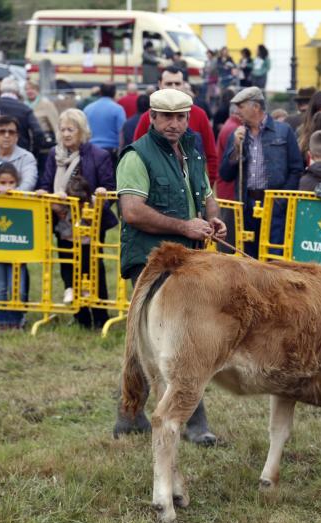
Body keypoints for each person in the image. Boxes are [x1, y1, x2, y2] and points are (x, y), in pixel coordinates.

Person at [112, 88, 227, 444]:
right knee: (164, 343)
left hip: (187, 258)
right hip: (149, 261)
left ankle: (135, 417)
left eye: (181, 117)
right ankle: (188, 423)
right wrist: (184, 226)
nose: (174, 124)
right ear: (152, 117)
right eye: (167, 117)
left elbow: (206, 193)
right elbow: (131, 212)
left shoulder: (191, 150)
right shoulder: (136, 156)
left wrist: (213, 218)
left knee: (177, 340)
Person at [36, 108, 115, 328]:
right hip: (63, 220)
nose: (66, 134)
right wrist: (46, 193)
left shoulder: (99, 155)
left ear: (82, 131)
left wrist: (98, 199)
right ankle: (80, 317)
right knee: (68, 265)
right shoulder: (54, 155)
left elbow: (110, 189)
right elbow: (45, 181)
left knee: (92, 266)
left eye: (71, 129)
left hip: (90, 222)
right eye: (62, 129)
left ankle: (99, 317)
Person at [219, 87, 303, 259]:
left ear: (255, 107)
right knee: (247, 253)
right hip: (246, 203)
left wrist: (282, 198)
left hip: (274, 203)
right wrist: (236, 148)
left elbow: (296, 168)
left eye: (241, 107)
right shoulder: (237, 135)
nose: (237, 112)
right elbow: (225, 174)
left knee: (273, 253)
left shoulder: (284, 131)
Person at [132, 67, 219, 184]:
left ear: (183, 85)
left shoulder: (200, 114)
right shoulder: (147, 117)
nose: (173, 87)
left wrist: (206, 189)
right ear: (160, 85)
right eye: (168, 83)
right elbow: (136, 154)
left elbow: (211, 155)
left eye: (177, 83)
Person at [0, 163, 29, 330]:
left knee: (17, 288)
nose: (7, 187)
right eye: (3, 183)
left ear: (17, 183)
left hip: (17, 251)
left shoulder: (23, 200)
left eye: (11, 183)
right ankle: (3, 321)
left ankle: (17, 319)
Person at [0, 77, 47, 157]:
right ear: (18, 92)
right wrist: (33, 153)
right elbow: (38, 133)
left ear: (1, 90)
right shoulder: (25, 109)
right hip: (20, 154)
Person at [84, 83, 126, 164]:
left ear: (100, 93)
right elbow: (122, 132)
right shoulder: (118, 109)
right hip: (111, 150)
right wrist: (121, 152)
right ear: (114, 93)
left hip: (91, 149)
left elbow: (84, 131)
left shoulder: (88, 109)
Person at [24, 79, 59, 175]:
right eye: (27, 89)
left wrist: (60, 144)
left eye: (32, 89)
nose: (29, 91)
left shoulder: (46, 104)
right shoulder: (23, 105)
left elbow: (55, 124)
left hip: (44, 147)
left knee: (44, 172)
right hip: (29, 146)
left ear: (37, 90)